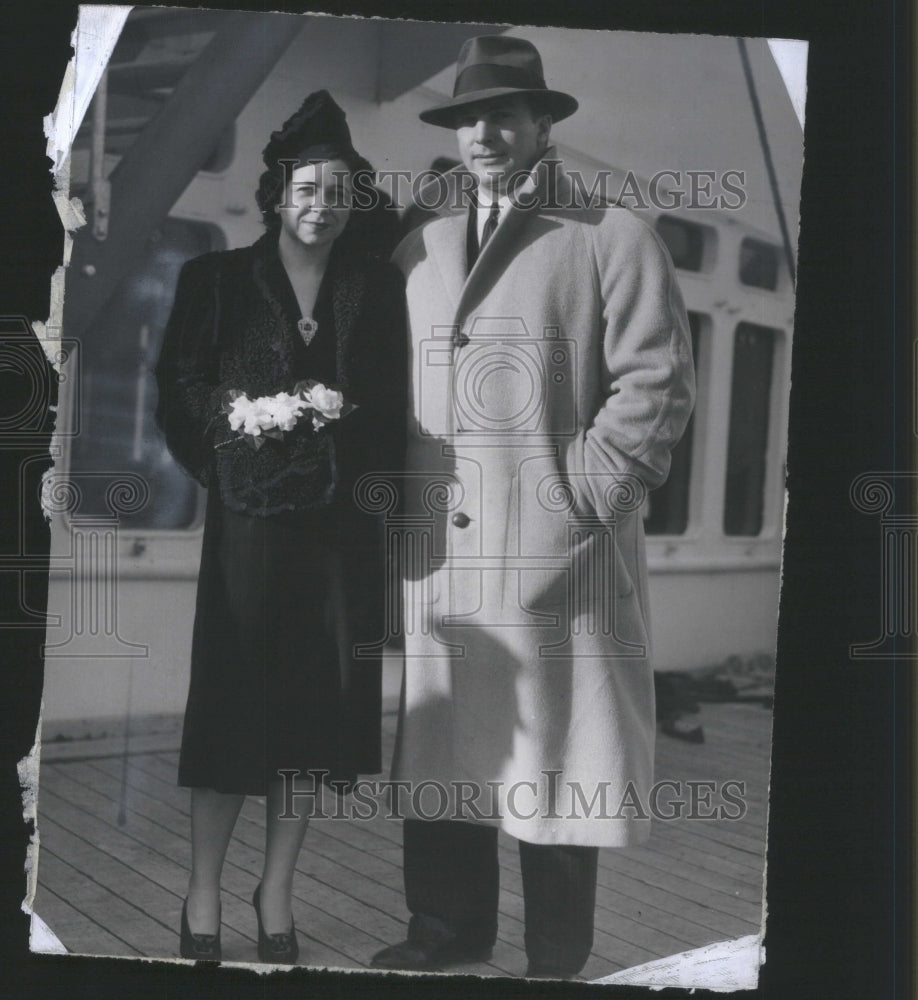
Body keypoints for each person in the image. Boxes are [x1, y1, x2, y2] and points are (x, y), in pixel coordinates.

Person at [371, 36, 695, 979]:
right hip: (443, 557)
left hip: (560, 554)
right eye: (468, 118)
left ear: (544, 125)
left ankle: (556, 955)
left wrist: (576, 499)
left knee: (559, 758)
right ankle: (447, 930)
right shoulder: (416, 245)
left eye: (505, 116)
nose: (484, 134)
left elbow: (657, 389)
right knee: (444, 750)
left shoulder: (612, 233)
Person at [155, 90, 405, 964]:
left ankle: (277, 890)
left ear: (352, 199)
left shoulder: (376, 290)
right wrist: (244, 428)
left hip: (335, 539)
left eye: (337, 190)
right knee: (231, 713)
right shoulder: (214, 279)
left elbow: (395, 409)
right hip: (250, 532)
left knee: (310, 722)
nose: (320, 205)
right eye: (306, 189)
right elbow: (179, 392)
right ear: (277, 194)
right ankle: (201, 888)